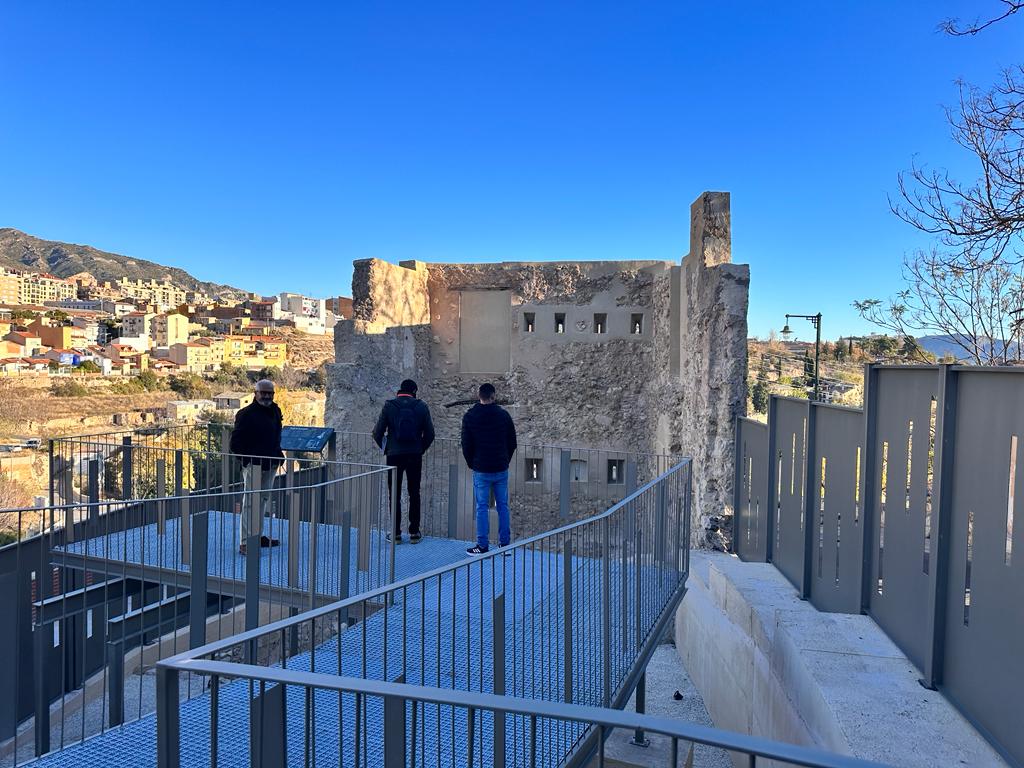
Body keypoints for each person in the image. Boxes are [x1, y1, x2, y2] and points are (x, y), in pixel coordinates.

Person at [372, 378, 435, 543]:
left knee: (394, 493)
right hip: (414, 455)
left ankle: (396, 534)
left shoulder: (389, 406)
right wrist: (420, 449)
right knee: (414, 493)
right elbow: (430, 434)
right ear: (414, 391)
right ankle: (414, 533)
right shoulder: (421, 406)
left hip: (394, 455)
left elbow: (377, 433)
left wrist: (386, 448)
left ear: (400, 390)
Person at [461, 382, 517, 555]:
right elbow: (512, 442)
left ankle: (482, 545)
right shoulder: (504, 415)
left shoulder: (470, 415)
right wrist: (505, 460)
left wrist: (472, 463)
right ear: (493, 396)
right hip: (500, 467)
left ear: (480, 396)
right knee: (503, 506)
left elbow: (466, 444)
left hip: (481, 468)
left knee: (481, 507)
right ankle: (505, 545)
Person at [230, 379, 284, 555]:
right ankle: (245, 543)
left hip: (271, 463)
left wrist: (278, 455)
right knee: (250, 503)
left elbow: (276, 435)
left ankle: (258, 537)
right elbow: (235, 443)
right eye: (263, 393)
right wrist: (246, 461)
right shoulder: (246, 414)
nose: (267, 396)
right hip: (254, 465)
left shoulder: (275, 410)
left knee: (262, 501)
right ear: (255, 393)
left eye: (270, 393)